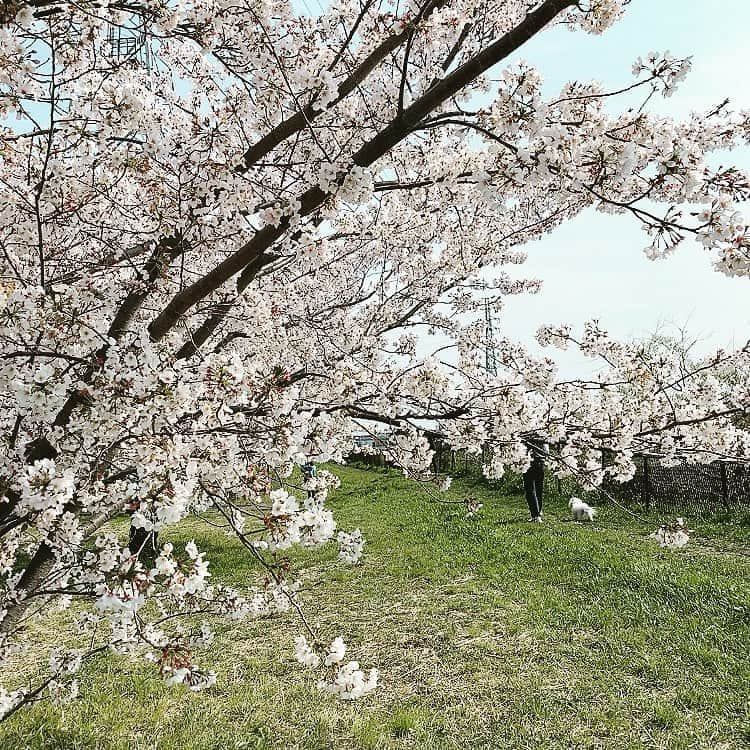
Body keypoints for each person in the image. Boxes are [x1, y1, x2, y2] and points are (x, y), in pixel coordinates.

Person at [523, 437, 547, 523]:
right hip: (541, 463)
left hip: (530, 462)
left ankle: (535, 515)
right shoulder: (544, 436)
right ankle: (538, 512)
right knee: (538, 489)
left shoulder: (529, 435)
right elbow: (546, 451)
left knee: (530, 489)